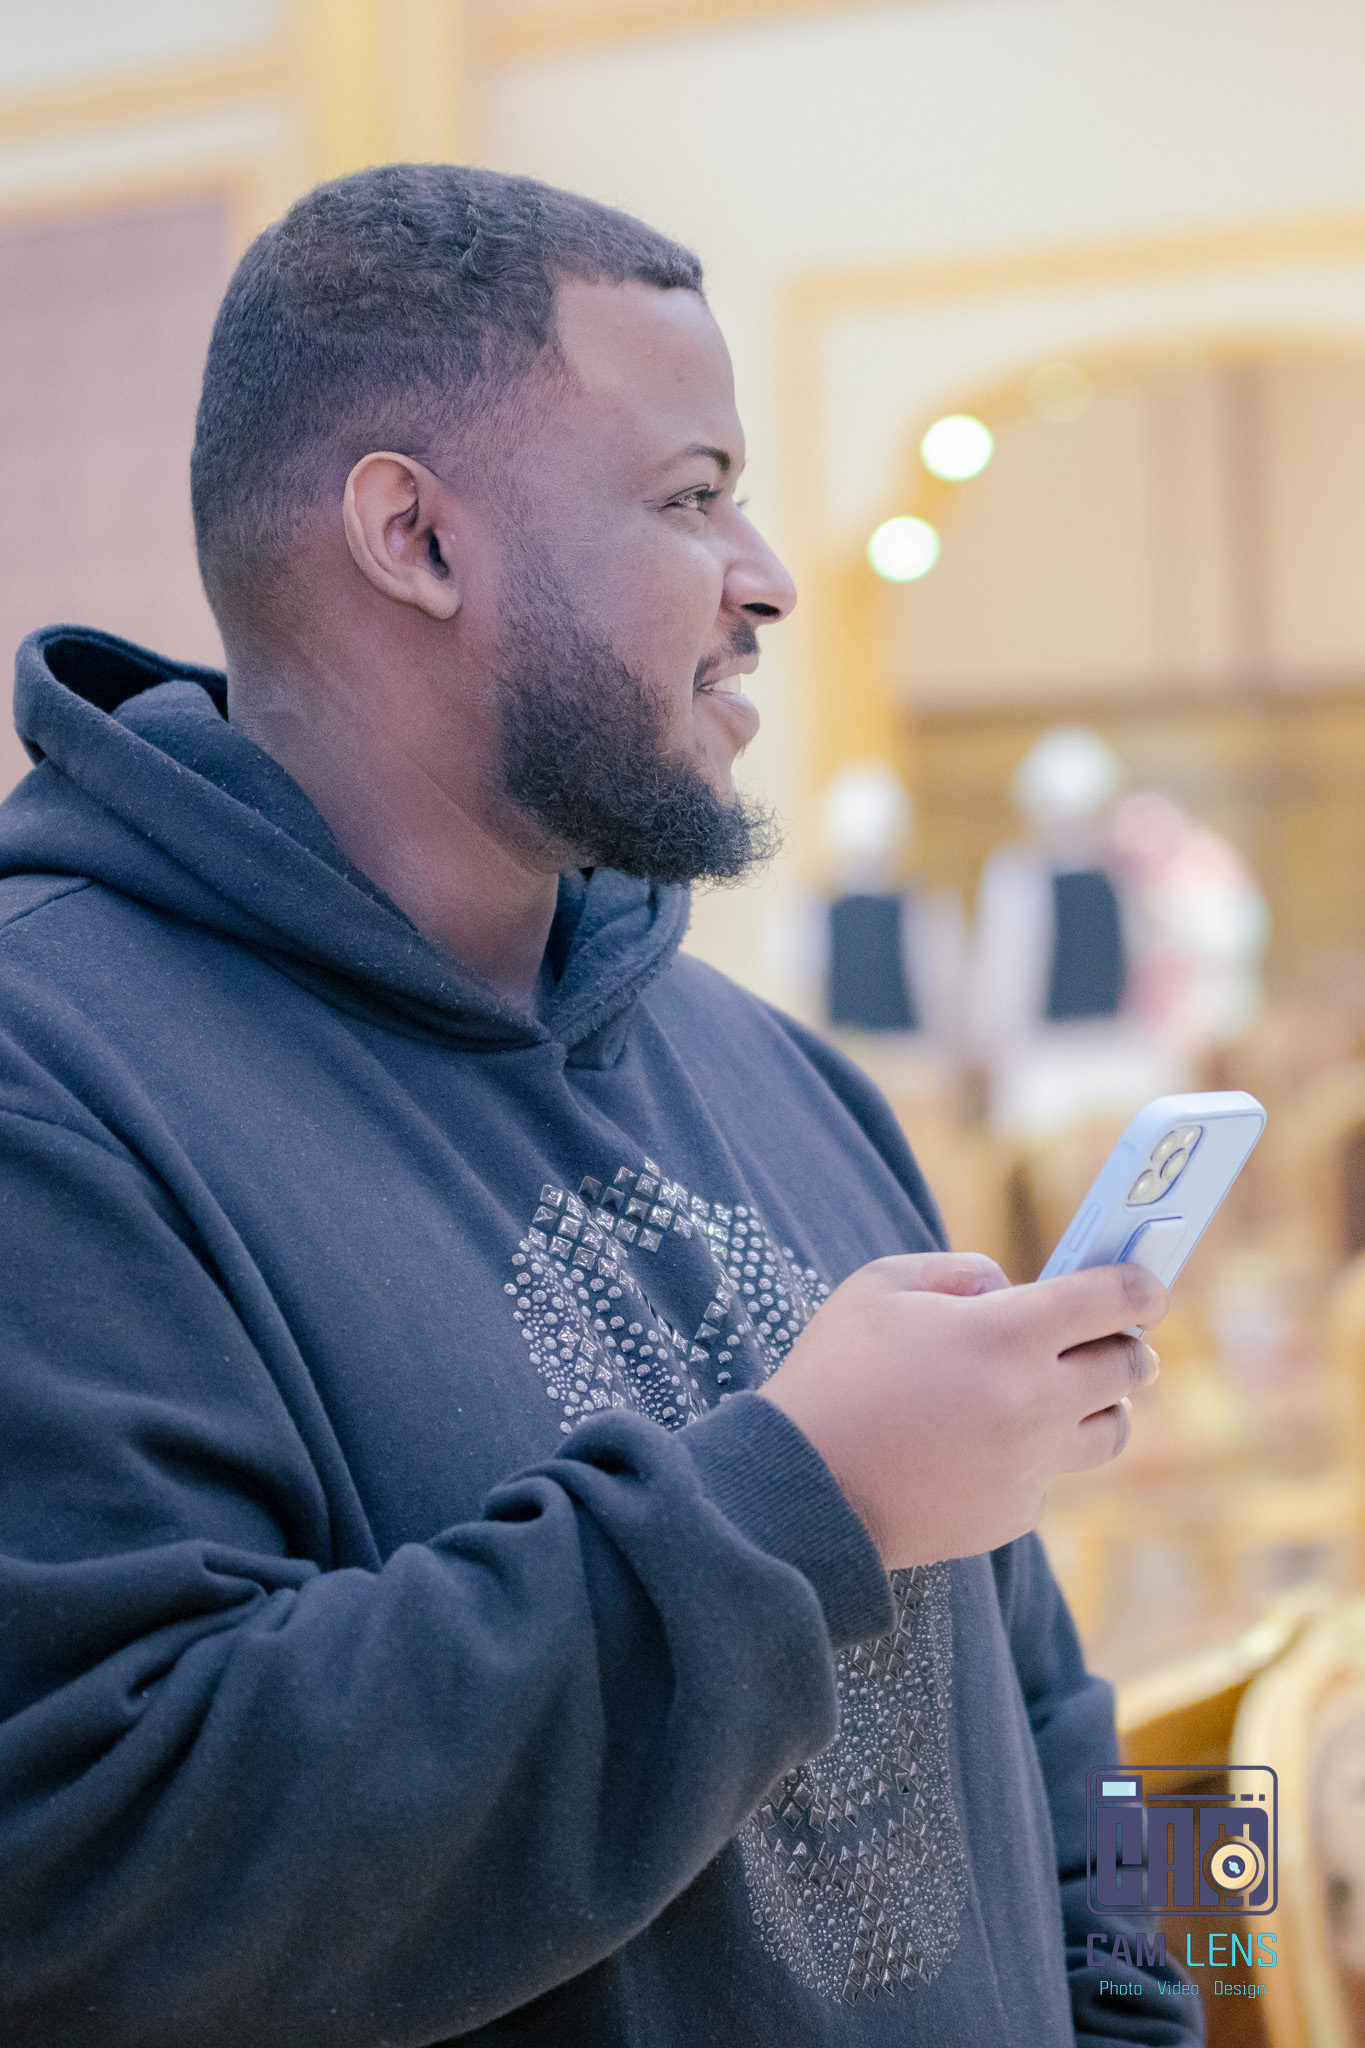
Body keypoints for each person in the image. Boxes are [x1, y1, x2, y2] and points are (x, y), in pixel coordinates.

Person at [0, 166, 1191, 2047]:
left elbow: (1056, 1708)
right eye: (690, 496)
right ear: (416, 537)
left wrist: (1166, 2004)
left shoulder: (784, 1074)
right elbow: (100, 1859)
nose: (766, 576)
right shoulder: (54, 1080)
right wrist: (807, 1501)